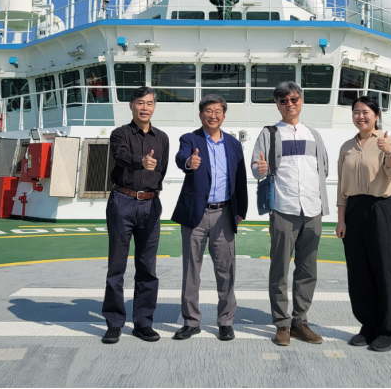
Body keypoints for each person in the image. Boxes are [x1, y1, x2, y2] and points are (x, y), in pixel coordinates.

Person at [251, 81, 330, 347]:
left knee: (308, 269)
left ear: (301, 101)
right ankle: (282, 324)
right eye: (283, 101)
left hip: (312, 209)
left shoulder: (313, 134)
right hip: (283, 208)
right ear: (277, 104)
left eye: (294, 99)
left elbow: (324, 168)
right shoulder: (269, 133)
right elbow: (256, 166)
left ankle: (300, 321)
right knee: (280, 269)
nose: (289, 104)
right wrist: (260, 169)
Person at [172, 94, 249, 342]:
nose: (212, 115)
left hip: (224, 212)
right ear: (201, 114)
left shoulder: (233, 144)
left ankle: (225, 322)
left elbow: (240, 178)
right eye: (208, 111)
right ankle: (191, 321)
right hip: (195, 212)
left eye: (217, 111)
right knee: (191, 269)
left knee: (226, 270)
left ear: (223, 116)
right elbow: (181, 158)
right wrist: (189, 162)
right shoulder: (190, 139)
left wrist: (241, 210)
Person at [334, 96, 391, 353]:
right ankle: (369, 326)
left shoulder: (389, 141)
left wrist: (389, 153)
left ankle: (389, 331)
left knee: (385, 270)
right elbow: (342, 186)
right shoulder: (346, 147)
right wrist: (341, 220)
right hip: (354, 209)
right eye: (356, 112)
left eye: (365, 112)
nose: (360, 116)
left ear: (376, 115)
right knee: (359, 271)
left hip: (381, 208)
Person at [101, 86, 169, 344]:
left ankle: (143, 323)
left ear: (154, 107)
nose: (145, 108)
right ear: (131, 106)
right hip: (123, 202)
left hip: (150, 204)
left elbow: (161, 170)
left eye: (149, 103)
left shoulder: (161, 138)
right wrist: (140, 161)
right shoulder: (119, 134)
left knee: (147, 267)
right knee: (116, 266)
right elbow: (120, 156)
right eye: (140, 103)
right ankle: (114, 323)